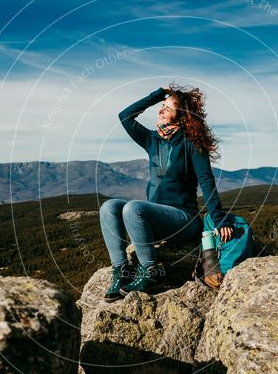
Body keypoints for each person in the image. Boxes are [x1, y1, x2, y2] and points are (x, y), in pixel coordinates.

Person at [99, 82, 234, 302]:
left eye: (168, 108)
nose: (161, 110)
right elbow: (125, 116)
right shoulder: (152, 139)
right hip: (156, 219)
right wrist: (159, 94)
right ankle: (121, 271)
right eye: (161, 106)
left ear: (181, 117)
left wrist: (219, 219)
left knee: (133, 208)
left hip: (183, 219)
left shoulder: (192, 144)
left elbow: (207, 183)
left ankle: (151, 271)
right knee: (109, 207)